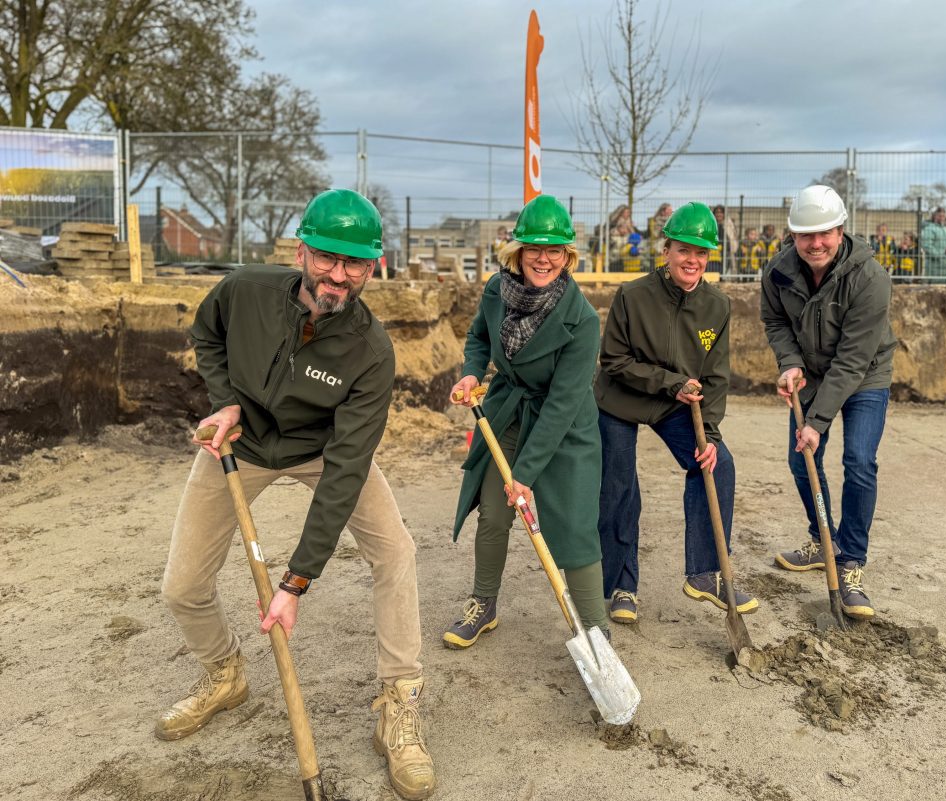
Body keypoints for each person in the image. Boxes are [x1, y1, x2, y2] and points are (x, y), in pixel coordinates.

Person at [157, 189, 435, 801]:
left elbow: (345, 472)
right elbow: (207, 333)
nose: (339, 275)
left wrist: (295, 582)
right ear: (301, 250)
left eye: (355, 264)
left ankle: (399, 701)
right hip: (243, 443)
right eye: (328, 258)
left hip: (323, 452)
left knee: (397, 551)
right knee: (181, 586)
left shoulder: (371, 351)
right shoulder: (245, 290)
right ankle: (225, 674)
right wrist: (224, 399)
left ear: (373, 266)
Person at [447, 194, 608, 647]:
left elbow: (561, 404)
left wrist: (524, 475)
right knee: (494, 512)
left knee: (573, 526)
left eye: (554, 250)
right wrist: (471, 372)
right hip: (508, 410)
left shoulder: (582, 321)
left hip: (566, 427)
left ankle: (596, 630)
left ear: (567, 257)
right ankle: (484, 603)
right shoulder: (497, 291)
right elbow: (479, 336)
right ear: (516, 252)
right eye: (534, 248)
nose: (543, 258)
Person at [597, 202, 759, 625]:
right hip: (622, 400)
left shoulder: (717, 305)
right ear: (665, 249)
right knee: (618, 487)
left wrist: (709, 434)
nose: (693, 260)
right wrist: (670, 381)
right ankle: (620, 585)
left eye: (701, 253)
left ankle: (704, 573)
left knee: (716, 464)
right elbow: (613, 361)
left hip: (678, 406)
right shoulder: (632, 296)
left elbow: (716, 376)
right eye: (684, 250)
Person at [760, 185, 897, 620]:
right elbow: (775, 319)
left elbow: (853, 360)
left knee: (858, 461)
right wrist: (790, 362)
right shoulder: (777, 272)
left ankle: (851, 560)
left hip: (865, 373)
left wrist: (815, 421)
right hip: (812, 373)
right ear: (793, 235)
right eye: (805, 235)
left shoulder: (870, 277)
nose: (815, 243)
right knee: (801, 460)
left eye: (825, 233)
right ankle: (824, 543)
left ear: (841, 230)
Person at [919, 206, 946, 283]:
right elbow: (926, 245)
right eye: (939, 215)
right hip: (933, 265)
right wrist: (940, 256)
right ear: (934, 216)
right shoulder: (929, 228)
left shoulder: (944, 228)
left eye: (943, 215)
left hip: (944, 264)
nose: (942, 217)